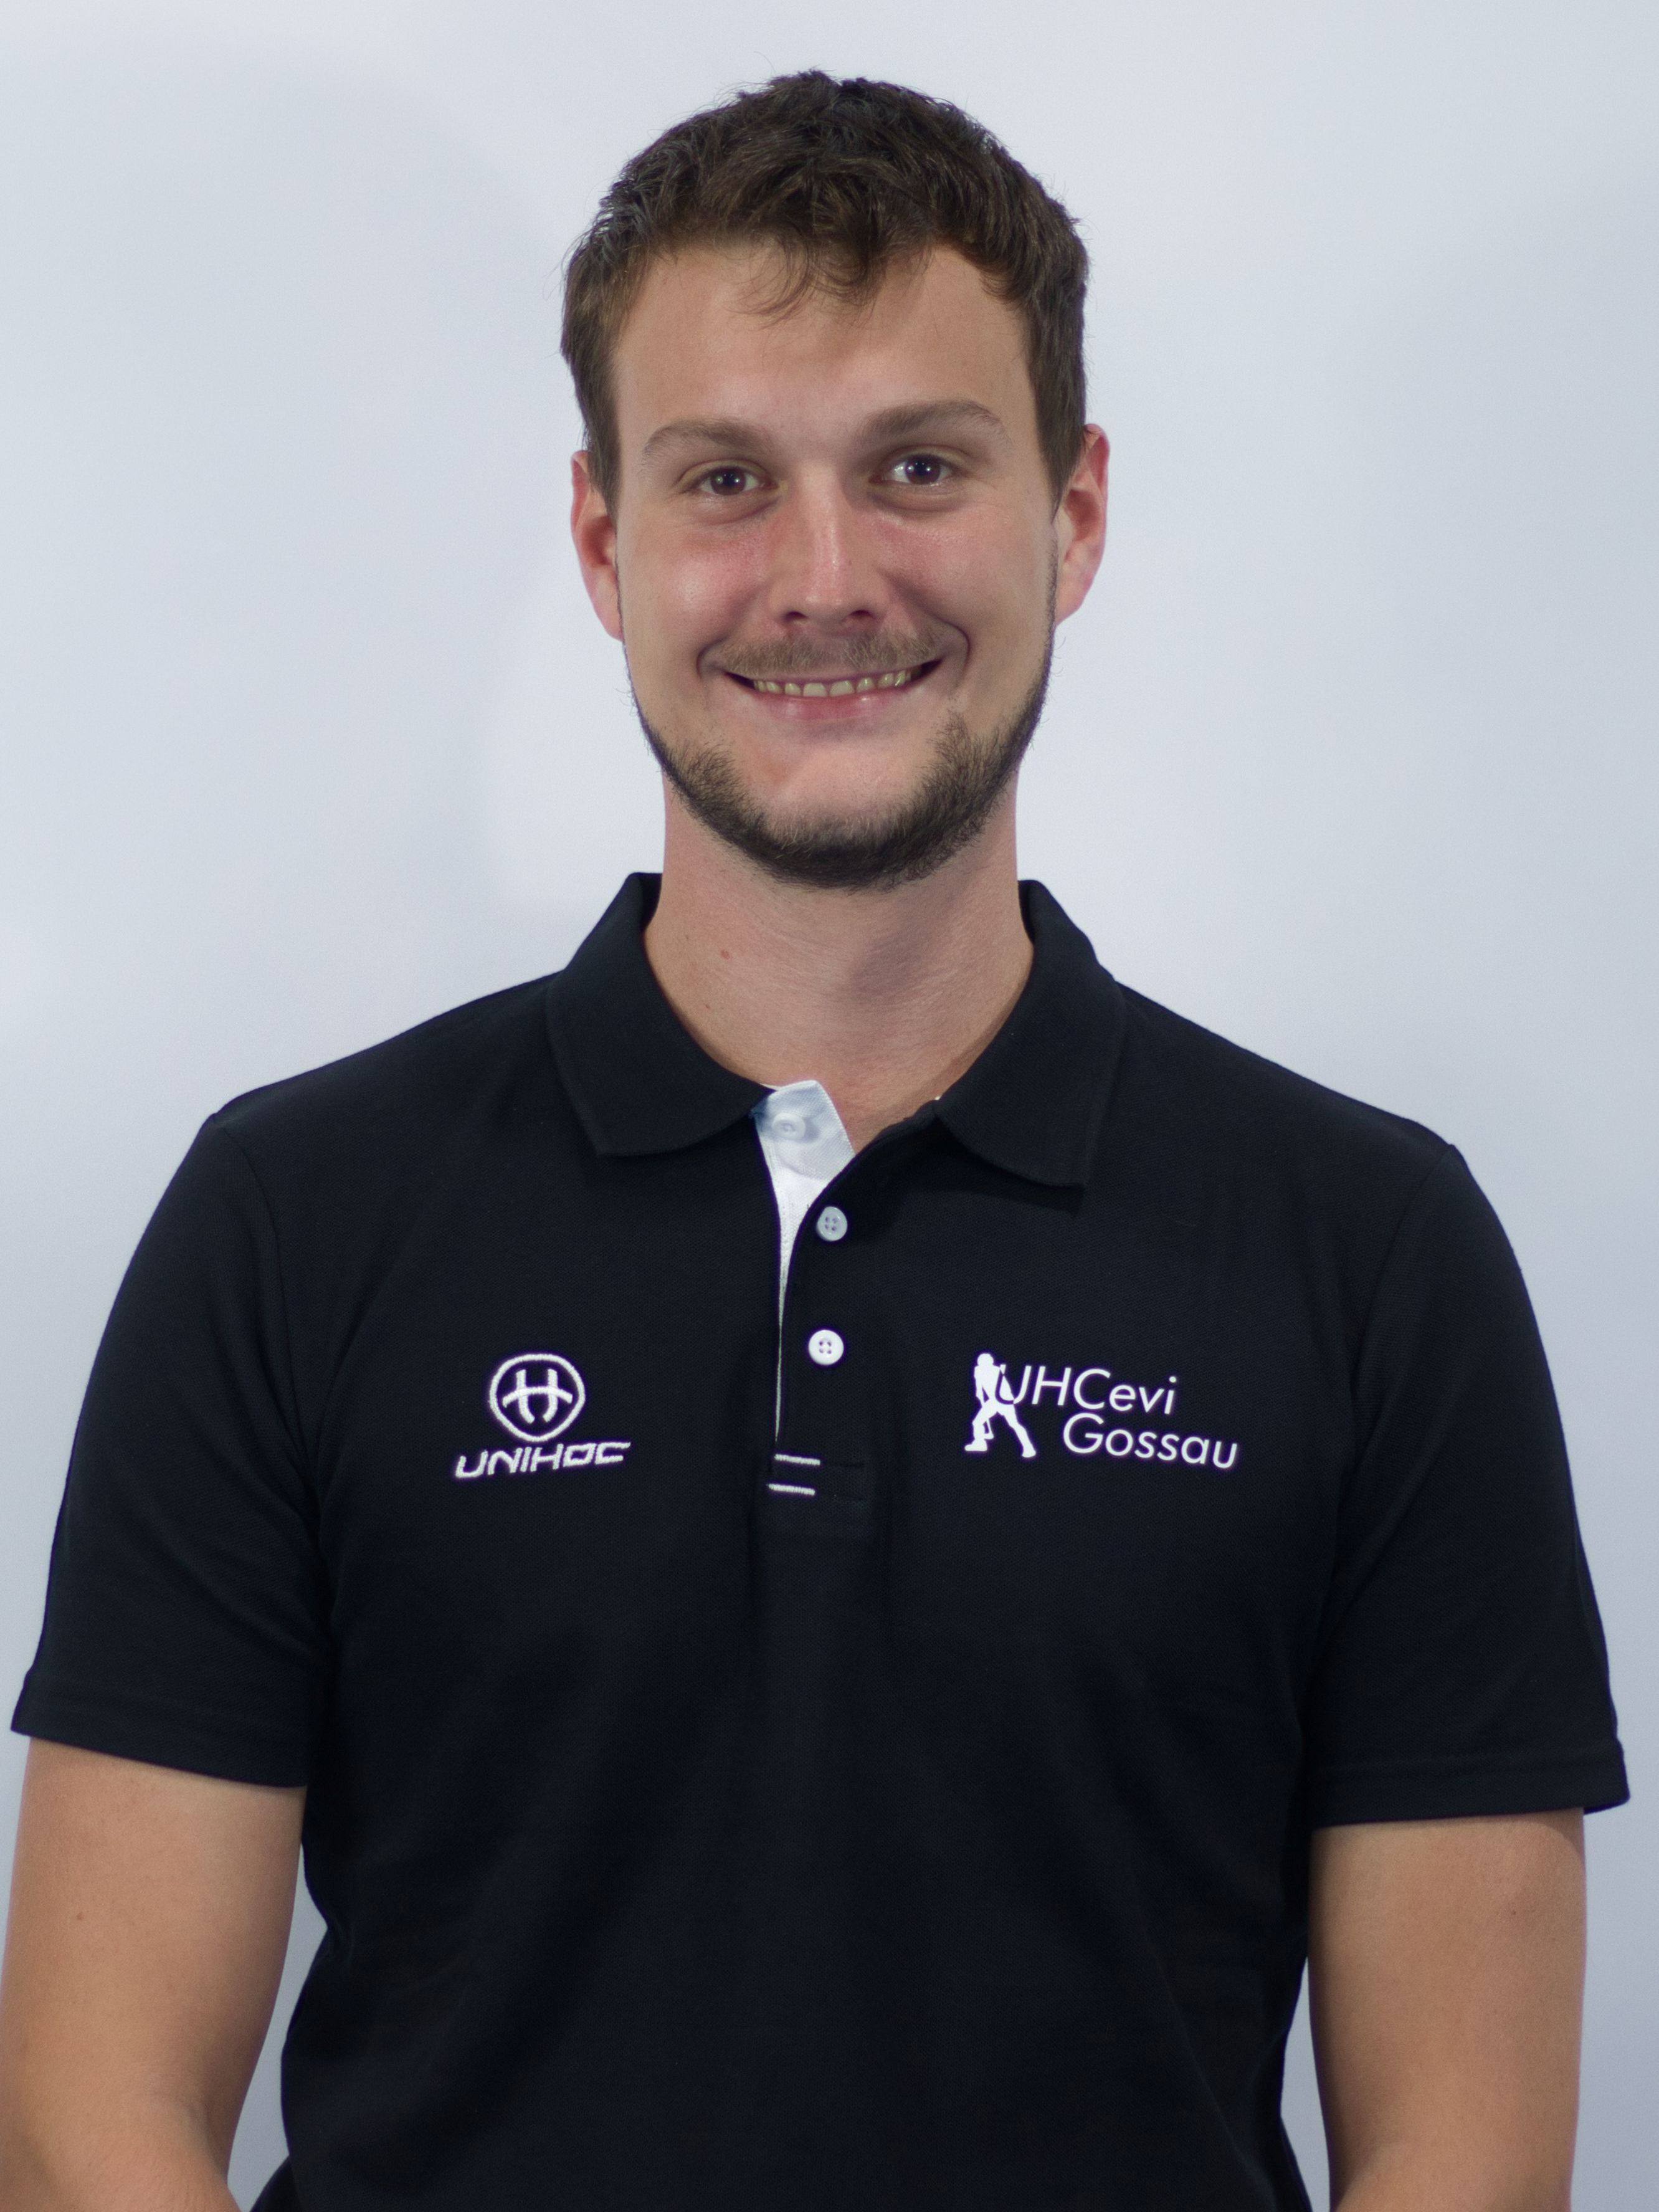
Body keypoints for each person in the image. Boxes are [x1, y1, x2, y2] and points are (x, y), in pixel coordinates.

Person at [0, 70, 1627, 2212]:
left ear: (1076, 514)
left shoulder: (1369, 1254)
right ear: (607, 542)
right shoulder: (293, 1221)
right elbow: (89, 2124)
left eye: (919, 467)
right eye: (727, 481)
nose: (825, 577)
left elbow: (1465, 2161)